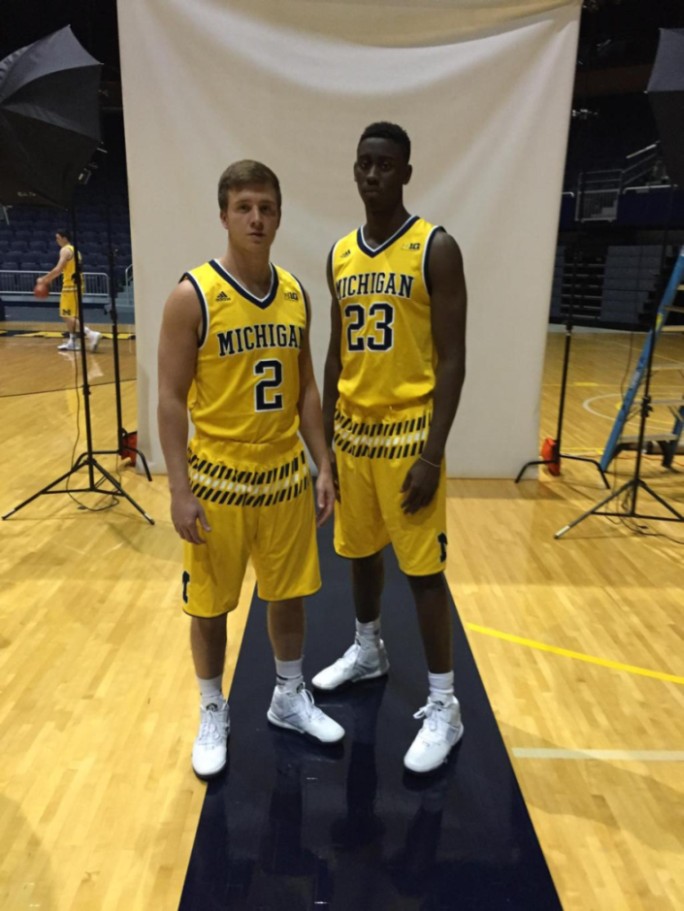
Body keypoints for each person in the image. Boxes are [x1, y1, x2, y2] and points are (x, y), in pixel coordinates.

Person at [157, 160, 345, 779]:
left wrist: (323, 463)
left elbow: (306, 388)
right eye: (244, 207)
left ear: (279, 216)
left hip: (283, 475)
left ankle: (288, 695)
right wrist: (178, 490)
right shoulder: (192, 295)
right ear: (224, 215)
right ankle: (213, 708)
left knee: (288, 596)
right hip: (218, 480)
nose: (256, 219)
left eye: (266, 207)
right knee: (210, 607)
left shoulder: (294, 293)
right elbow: (169, 400)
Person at [312, 122, 468, 775]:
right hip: (353, 433)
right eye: (364, 164)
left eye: (384, 165)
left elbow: (453, 358)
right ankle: (368, 647)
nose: (372, 174)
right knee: (359, 551)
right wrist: (324, 442)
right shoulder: (340, 253)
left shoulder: (436, 247)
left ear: (406, 172)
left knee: (424, 572)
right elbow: (335, 353)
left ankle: (445, 705)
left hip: (408, 435)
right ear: (354, 170)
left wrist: (432, 453)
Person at [35, 229, 102, 352]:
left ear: (65, 238)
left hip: (70, 286)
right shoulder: (75, 250)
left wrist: (44, 279)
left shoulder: (65, 250)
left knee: (65, 314)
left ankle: (91, 334)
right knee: (71, 315)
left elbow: (58, 269)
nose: (56, 240)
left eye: (58, 238)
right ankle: (72, 341)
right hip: (78, 285)